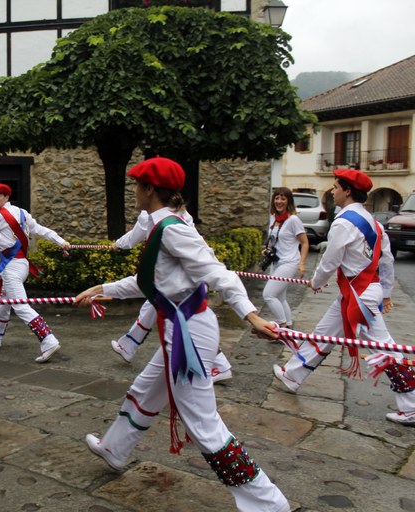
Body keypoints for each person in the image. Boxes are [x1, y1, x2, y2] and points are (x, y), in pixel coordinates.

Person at [75, 157, 290, 512]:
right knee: (145, 387)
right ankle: (115, 448)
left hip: (188, 332)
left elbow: (219, 274)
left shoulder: (172, 229)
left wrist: (251, 316)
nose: (134, 192)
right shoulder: (163, 226)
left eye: (137, 186)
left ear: (149, 190)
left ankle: (268, 503)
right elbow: (154, 281)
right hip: (180, 326)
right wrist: (104, 288)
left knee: (204, 424)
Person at [273, 169, 415, 425]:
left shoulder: (344, 222)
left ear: (348, 191)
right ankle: (292, 374)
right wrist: (386, 292)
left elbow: (330, 260)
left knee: (386, 350)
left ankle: (413, 403)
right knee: (322, 334)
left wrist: (316, 282)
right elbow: (387, 261)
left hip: (359, 298)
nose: (334, 191)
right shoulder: (373, 222)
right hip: (359, 294)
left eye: (336, 187)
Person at [109, 209, 233, 383]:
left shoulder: (153, 216)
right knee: (154, 307)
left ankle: (220, 365)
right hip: (182, 274)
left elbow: (134, 237)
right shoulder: (181, 212)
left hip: (178, 279)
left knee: (187, 323)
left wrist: (118, 245)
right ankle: (129, 344)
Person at [0, 183, 71, 363]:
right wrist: (61, 241)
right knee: (4, 301)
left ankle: (48, 340)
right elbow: (41, 230)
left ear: (7, 197)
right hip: (22, 265)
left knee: (20, 305)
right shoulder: (22, 212)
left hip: (11, 267)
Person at [261, 188, 309, 329]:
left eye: (283, 198)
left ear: (288, 201)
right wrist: (268, 250)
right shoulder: (273, 218)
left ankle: (282, 327)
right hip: (276, 262)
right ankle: (288, 325)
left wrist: (302, 263)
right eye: (276, 198)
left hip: (289, 262)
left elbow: (305, 242)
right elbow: (275, 239)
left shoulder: (293, 220)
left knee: (268, 295)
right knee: (280, 298)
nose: (279, 201)